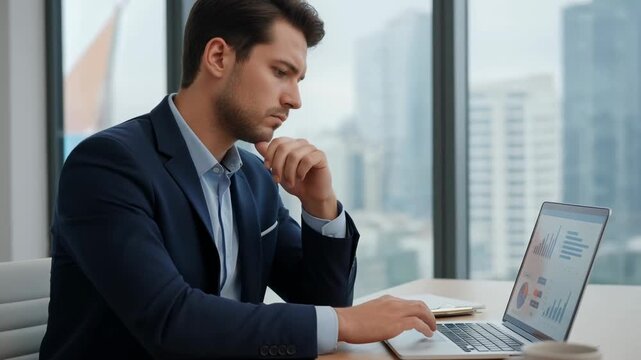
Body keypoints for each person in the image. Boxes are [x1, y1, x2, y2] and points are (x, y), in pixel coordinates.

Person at [40, 0, 436, 358]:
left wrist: (320, 205)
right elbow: (170, 322)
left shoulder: (253, 178)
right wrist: (348, 323)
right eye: (281, 72)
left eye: (299, 80)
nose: (295, 99)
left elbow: (324, 302)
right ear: (217, 57)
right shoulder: (108, 166)